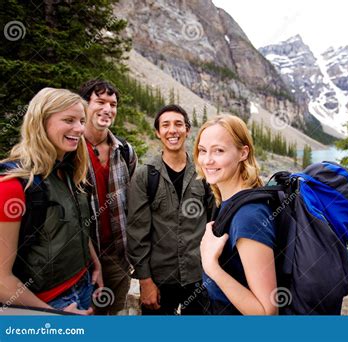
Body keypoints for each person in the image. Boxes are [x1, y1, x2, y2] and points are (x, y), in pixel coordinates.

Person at [0, 87, 102, 315]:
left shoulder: (68, 172)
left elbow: (75, 222)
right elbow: (1, 280)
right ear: (40, 122)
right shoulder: (11, 186)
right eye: (69, 120)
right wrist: (55, 316)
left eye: (82, 121)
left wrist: (95, 264)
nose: (79, 129)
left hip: (83, 284)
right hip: (45, 303)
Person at [127, 104, 211, 315]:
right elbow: (137, 233)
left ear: (187, 130)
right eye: (165, 125)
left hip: (199, 277)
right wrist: (145, 281)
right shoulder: (144, 176)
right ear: (157, 132)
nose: (172, 130)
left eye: (178, 124)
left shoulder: (205, 174)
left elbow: (214, 224)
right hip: (159, 279)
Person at [194, 114, 278, 315]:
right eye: (202, 151)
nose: (207, 160)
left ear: (243, 153)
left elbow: (267, 312)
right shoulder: (227, 202)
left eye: (219, 151)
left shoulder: (249, 216)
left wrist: (211, 266)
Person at [79, 79, 137, 315]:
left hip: (117, 258)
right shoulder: (70, 150)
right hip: (81, 262)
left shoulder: (125, 151)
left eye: (112, 104)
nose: (107, 109)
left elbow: (134, 203)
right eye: (100, 102)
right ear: (84, 105)